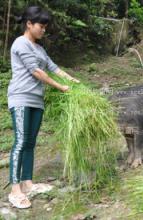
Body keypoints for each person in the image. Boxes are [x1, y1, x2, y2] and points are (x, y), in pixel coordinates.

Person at [7, 6, 79, 209]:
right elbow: (37, 71)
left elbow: (52, 67)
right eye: (41, 26)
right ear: (29, 24)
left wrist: (72, 80)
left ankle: (28, 183)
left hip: (37, 100)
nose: (43, 30)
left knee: (30, 142)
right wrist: (60, 87)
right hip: (20, 98)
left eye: (46, 27)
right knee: (20, 141)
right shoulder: (20, 43)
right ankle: (15, 190)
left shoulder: (39, 48)